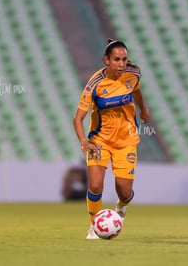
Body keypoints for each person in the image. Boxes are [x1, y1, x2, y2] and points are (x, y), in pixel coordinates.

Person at [73, 38, 149, 239]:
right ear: (106, 60)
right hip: (100, 141)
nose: (121, 64)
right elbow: (78, 118)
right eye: (116, 60)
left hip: (127, 141)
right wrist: (83, 141)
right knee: (96, 185)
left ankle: (121, 207)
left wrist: (143, 109)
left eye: (124, 59)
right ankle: (93, 226)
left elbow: (137, 90)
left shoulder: (133, 75)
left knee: (124, 192)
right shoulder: (95, 84)